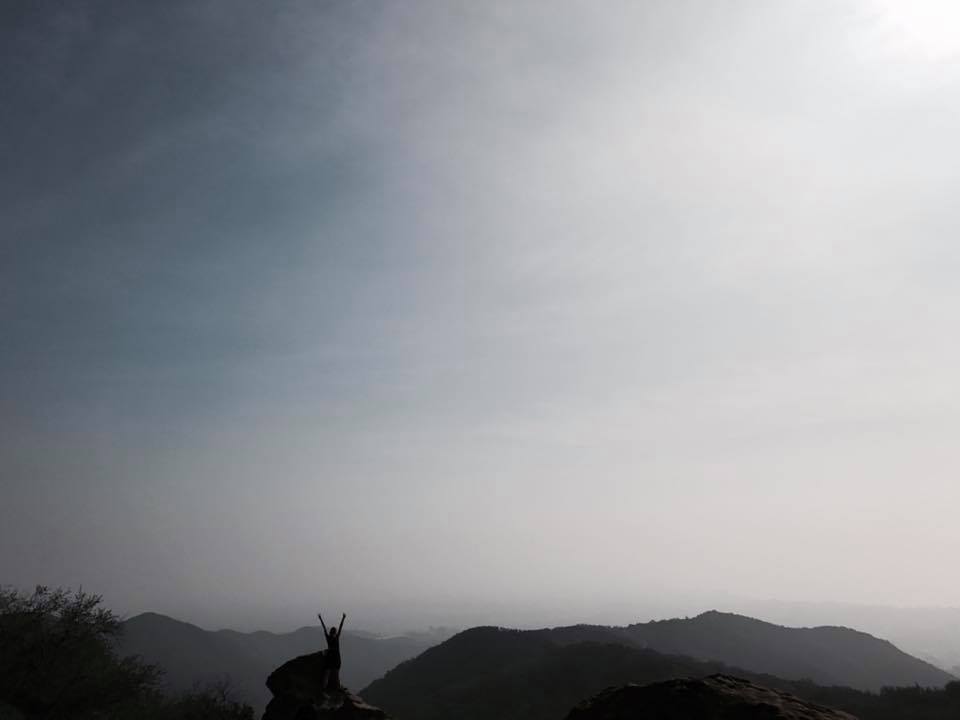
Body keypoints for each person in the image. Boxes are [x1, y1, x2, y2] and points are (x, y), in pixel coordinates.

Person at [317, 611, 346, 691]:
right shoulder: (336, 638)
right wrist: (343, 618)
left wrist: (320, 619)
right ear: (335, 632)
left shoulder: (328, 638)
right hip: (336, 658)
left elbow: (324, 628)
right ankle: (338, 688)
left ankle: (323, 688)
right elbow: (340, 628)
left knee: (327, 674)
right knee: (336, 675)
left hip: (329, 658)